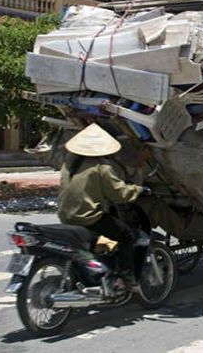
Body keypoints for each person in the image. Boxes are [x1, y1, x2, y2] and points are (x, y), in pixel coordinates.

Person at [57, 123, 150, 288]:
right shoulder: (101, 168)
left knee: (102, 240)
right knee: (127, 236)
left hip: (66, 216)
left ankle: (100, 268)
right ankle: (126, 279)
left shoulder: (68, 164)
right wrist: (139, 190)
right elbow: (119, 193)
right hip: (89, 218)